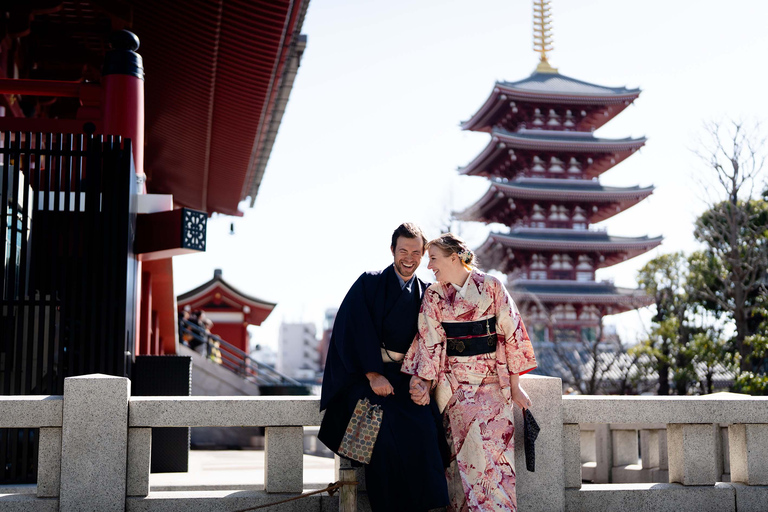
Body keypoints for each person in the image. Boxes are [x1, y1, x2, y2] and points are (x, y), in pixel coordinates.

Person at [318, 223, 449, 512]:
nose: (409, 258)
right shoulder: (369, 283)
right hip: (367, 377)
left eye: (416, 252)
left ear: (423, 255)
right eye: (403, 250)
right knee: (382, 433)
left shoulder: (427, 293)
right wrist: (373, 373)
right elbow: (349, 330)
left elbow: (434, 342)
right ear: (392, 250)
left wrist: (424, 381)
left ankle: (430, 507)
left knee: (426, 429)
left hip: (408, 377)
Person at [403, 233, 537, 512]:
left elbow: (512, 335)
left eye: (434, 259)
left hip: (493, 394)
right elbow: (430, 341)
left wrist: (515, 386)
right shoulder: (434, 295)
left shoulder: (492, 287)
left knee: (496, 468)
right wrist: (423, 383)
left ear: (454, 258)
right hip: (455, 394)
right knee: (459, 470)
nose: (430, 267)